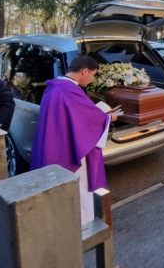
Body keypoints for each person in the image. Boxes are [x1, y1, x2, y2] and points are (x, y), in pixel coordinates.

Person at [31, 55, 118, 225]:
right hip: (70, 147)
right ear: (84, 71)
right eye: (92, 75)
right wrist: (109, 117)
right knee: (80, 183)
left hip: (54, 143)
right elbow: (87, 120)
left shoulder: (54, 87)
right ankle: (82, 220)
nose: (92, 79)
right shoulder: (69, 90)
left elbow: (77, 115)